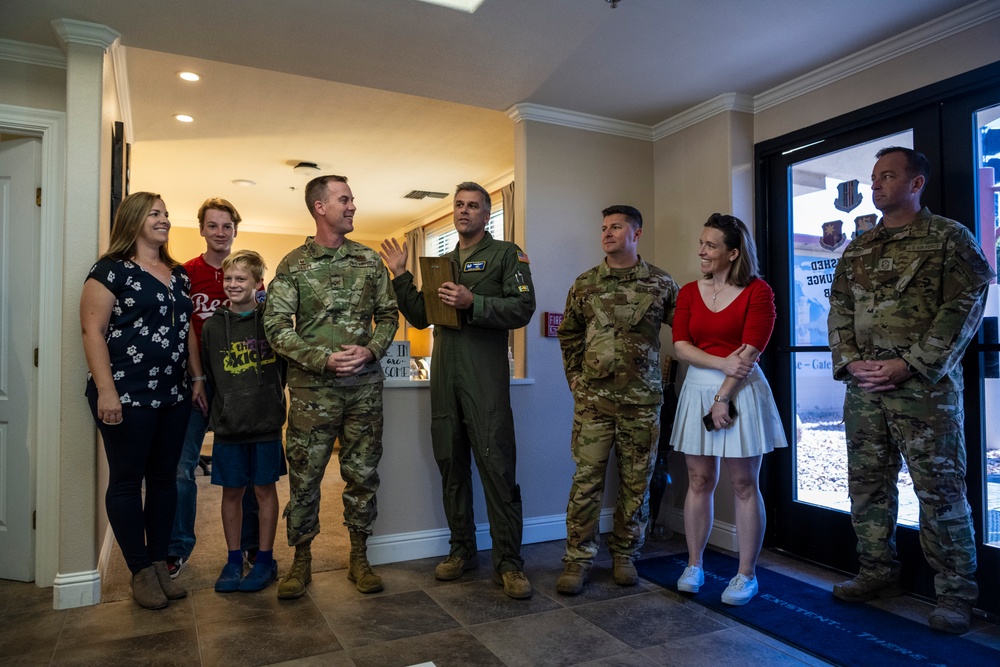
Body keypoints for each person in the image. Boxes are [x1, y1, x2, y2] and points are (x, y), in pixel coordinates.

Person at [827, 147, 994, 634]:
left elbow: (965, 304)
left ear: (916, 183)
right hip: (864, 391)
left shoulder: (948, 238)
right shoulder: (860, 246)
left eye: (887, 176)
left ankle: (955, 594)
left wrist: (909, 364)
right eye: (874, 177)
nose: (875, 185)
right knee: (867, 486)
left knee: (940, 493)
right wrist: (851, 362)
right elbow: (838, 307)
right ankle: (877, 572)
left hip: (924, 391)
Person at [379, 182, 536, 599]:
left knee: (497, 468)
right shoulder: (442, 262)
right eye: (459, 206)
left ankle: (509, 563)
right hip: (445, 374)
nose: (464, 212)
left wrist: (475, 303)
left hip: (484, 376)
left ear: (488, 214)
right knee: (451, 463)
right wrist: (400, 274)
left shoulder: (506, 255)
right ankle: (461, 549)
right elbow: (419, 315)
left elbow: (523, 308)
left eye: (474, 206)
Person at [263, 175, 398, 598]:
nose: (353, 205)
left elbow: (389, 316)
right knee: (305, 479)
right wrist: (320, 359)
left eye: (352, 198)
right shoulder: (293, 264)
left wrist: (371, 350)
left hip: (364, 392)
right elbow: (275, 325)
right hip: (311, 394)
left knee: (362, 475)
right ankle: (300, 562)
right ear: (320, 207)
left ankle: (359, 557)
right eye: (345, 199)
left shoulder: (370, 261)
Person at [80, 192, 206, 609]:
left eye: (167, 214)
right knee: (127, 481)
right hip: (126, 393)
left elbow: (186, 329)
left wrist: (197, 377)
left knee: (166, 479)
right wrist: (107, 391)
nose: (165, 220)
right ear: (133, 220)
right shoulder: (110, 270)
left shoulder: (178, 273)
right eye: (155, 213)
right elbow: (92, 332)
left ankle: (159, 564)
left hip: (172, 393)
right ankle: (139, 572)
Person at [554, 205, 677, 595]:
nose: (607, 233)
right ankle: (578, 559)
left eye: (616, 227)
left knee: (635, 483)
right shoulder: (585, 283)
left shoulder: (660, 283)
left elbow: (688, 331)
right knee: (586, 481)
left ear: (636, 234)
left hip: (642, 403)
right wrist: (574, 377)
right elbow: (569, 333)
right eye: (604, 227)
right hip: (594, 403)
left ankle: (626, 554)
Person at [670, 213, 787, 606]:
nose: (701, 251)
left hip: (742, 391)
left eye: (710, 246)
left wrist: (723, 396)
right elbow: (680, 346)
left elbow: (749, 353)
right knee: (699, 481)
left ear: (733, 253)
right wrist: (720, 364)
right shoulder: (688, 291)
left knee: (743, 484)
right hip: (699, 388)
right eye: (701, 243)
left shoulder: (759, 293)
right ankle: (694, 565)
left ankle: (746, 575)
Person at [167, 197, 260, 578]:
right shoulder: (185, 273)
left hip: (240, 384)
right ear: (202, 229)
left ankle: (252, 547)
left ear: (235, 230)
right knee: (180, 468)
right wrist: (198, 378)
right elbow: (183, 327)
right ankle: (177, 548)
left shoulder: (249, 274)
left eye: (227, 226)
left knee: (249, 470)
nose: (220, 232)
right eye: (213, 225)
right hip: (195, 383)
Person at [202, 250, 287, 593]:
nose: (234, 284)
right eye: (229, 279)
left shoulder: (272, 322)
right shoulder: (212, 327)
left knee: (265, 491)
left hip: (265, 423)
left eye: (242, 279)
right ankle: (234, 558)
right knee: (232, 493)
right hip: (229, 426)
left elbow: (284, 366)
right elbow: (209, 375)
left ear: (256, 283)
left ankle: (265, 559)